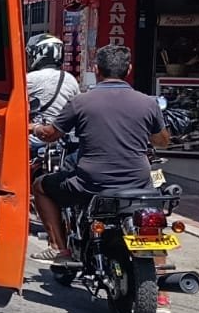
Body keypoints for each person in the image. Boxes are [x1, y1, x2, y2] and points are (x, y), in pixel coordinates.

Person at [30, 44, 169, 261]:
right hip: (137, 181)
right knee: (151, 216)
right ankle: (159, 284)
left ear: (96, 69)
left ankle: (59, 247)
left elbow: (50, 134)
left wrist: (34, 127)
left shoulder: (81, 102)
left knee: (40, 186)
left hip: (91, 183)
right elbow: (162, 141)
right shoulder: (147, 103)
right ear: (129, 69)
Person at [25, 33, 79, 128]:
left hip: (34, 136)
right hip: (62, 136)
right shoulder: (70, 79)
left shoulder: (30, 79)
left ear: (39, 53)